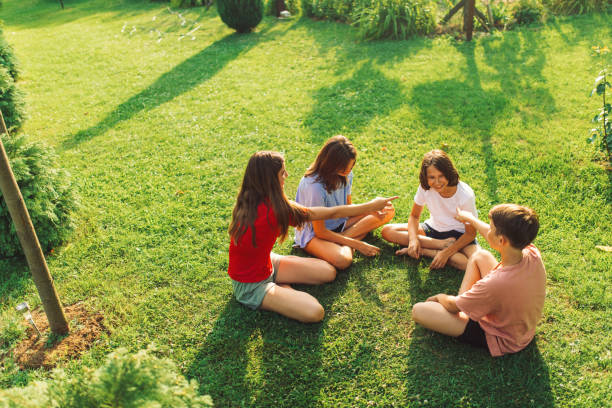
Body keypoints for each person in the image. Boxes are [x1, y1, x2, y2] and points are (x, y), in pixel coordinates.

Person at [228, 151, 397, 323]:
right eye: (282, 173)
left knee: (329, 272)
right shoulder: (274, 211)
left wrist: (367, 209)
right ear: (270, 180)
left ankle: (280, 286)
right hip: (251, 285)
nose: (287, 175)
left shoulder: (260, 200)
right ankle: (281, 289)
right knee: (315, 312)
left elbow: (332, 212)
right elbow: (332, 212)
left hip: (267, 263)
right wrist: (369, 206)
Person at [411, 204, 546, 356]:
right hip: (520, 325)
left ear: (501, 240)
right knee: (479, 256)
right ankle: (467, 304)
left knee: (419, 310)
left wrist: (439, 297)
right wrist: (470, 219)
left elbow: (452, 306)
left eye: (491, 228)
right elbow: (491, 236)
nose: (488, 230)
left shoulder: (495, 284)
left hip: (502, 337)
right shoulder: (532, 253)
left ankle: (466, 308)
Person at [294, 136, 395, 269]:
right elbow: (320, 231)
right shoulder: (315, 187)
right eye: (343, 168)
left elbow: (348, 208)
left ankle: (342, 239)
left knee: (388, 210)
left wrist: (370, 210)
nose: (348, 171)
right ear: (330, 164)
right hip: (315, 235)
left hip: (341, 224)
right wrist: (357, 244)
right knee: (343, 260)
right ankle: (351, 239)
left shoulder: (346, 174)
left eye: (351, 166)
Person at [381, 149, 478, 271]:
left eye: (441, 176)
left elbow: (471, 233)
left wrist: (445, 253)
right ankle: (441, 245)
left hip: (460, 235)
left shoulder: (465, 195)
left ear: (448, 173)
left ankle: (426, 251)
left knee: (474, 263)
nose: (437, 182)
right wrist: (413, 240)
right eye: (432, 177)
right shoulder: (425, 188)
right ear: (425, 177)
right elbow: (414, 216)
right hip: (433, 229)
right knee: (388, 231)